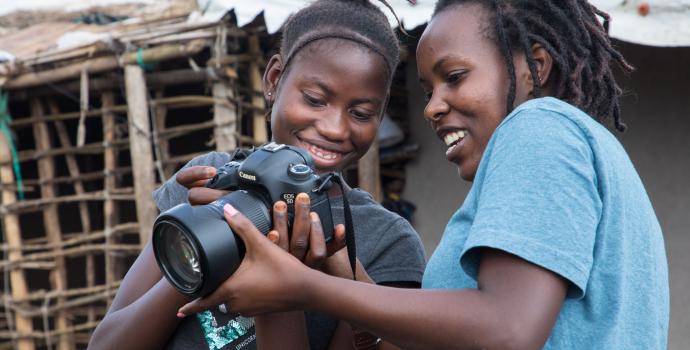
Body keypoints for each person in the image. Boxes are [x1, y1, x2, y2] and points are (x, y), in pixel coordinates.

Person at [177, 1, 669, 349]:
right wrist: (343, 272)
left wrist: (304, 289)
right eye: (427, 88)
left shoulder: (539, 127)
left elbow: (508, 328)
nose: (433, 107)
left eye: (454, 77)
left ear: (534, 65)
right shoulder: (579, 156)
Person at [88, 1, 426, 349]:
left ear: (380, 115)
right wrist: (201, 242)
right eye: (314, 99)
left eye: (360, 112)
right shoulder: (209, 183)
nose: (336, 129)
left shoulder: (382, 241)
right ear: (275, 79)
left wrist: (288, 279)